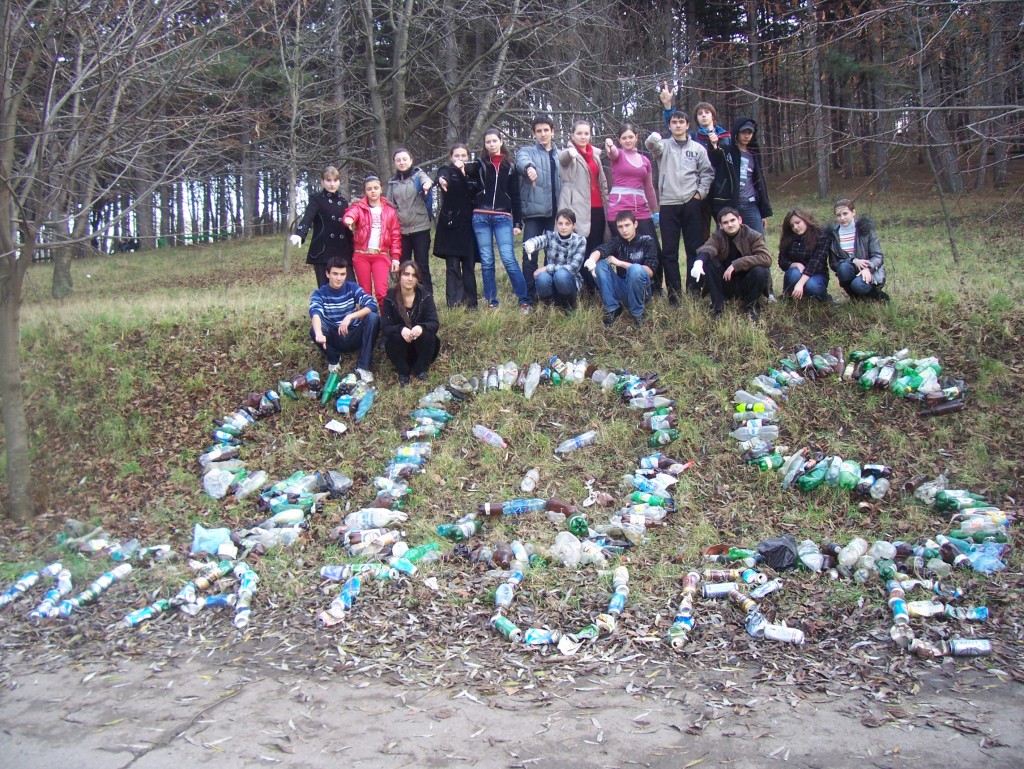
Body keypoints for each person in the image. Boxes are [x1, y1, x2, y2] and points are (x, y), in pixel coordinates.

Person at [645, 106, 714, 303]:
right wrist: (655, 137)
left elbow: (707, 173)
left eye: (681, 122)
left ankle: (693, 291)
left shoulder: (698, 149)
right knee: (669, 252)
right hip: (668, 204)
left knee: (694, 248)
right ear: (670, 126)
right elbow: (651, 145)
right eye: (674, 122)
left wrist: (700, 193)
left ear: (687, 125)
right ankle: (674, 295)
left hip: (692, 204)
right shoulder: (664, 146)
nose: (677, 125)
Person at [467, 128, 531, 312]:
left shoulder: (510, 167)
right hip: (480, 216)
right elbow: (465, 181)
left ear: (501, 141)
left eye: (494, 141)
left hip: (503, 217)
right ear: (485, 145)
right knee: (487, 261)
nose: (491, 145)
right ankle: (491, 301)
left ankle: (524, 300)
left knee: (508, 258)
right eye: (488, 142)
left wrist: (518, 222)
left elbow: (516, 195)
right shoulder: (479, 165)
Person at [660, 85, 731, 242]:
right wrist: (667, 106)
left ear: (713, 116)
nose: (703, 115)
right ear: (695, 120)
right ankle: (704, 264)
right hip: (699, 192)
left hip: (722, 189)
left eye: (707, 112)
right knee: (701, 235)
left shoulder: (726, 137)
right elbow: (675, 127)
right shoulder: (693, 138)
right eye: (700, 113)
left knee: (726, 229)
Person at [604, 122, 661, 293]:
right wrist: (610, 145)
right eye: (624, 138)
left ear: (637, 138)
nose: (627, 140)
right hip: (619, 209)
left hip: (641, 210)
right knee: (623, 250)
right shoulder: (617, 155)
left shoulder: (645, 160)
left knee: (653, 247)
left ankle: (656, 287)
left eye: (631, 137)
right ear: (619, 140)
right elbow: (612, 153)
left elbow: (649, 188)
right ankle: (626, 287)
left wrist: (655, 211)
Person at [691, 207, 771, 320]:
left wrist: (736, 264)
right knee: (709, 263)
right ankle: (718, 307)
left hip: (747, 282)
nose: (730, 224)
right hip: (726, 283)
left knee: (760, 270)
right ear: (720, 225)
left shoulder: (753, 235)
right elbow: (708, 247)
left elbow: (766, 258)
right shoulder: (718, 236)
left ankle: (750, 307)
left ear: (740, 220)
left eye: (733, 220)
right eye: (725, 222)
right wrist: (699, 261)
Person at [558, 119, 609, 296]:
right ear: (572, 135)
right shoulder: (568, 153)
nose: (583, 136)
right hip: (577, 209)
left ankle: (595, 286)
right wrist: (570, 152)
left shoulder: (595, 154)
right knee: (580, 248)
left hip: (597, 208)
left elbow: (601, 181)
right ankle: (580, 288)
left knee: (596, 247)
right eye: (579, 133)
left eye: (586, 133)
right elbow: (563, 160)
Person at [309, 256, 380, 381]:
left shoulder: (351, 287)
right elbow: (315, 313)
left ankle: (363, 366)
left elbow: (372, 304)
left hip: (353, 333)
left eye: (342, 274)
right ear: (327, 274)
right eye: (335, 274)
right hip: (334, 336)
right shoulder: (319, 293)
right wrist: (319, 333)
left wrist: (350, 316)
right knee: (314, 329)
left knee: (373, 318)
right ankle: (334, 359)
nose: (339, 278)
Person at [584, 211, 659, 326]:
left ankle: (637, 313)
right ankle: (613, 308)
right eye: (620, 227)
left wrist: (619, 263)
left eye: (627, 225)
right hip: (622, 288)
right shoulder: (617, 241)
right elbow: (601, 250)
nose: (624, 230)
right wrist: (592, 260)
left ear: (635, 224)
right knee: (600, 264)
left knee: (635, 269)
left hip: (642, 290)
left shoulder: (646, 241)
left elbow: (649, 271)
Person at [516, 116, 562, 302]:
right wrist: (529, 168)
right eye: (539, 131)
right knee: (530, 254)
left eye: (546, 130)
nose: (543, 134)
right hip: (534, 214)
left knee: (552, 256)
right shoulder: (527, 152)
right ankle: (528, 297)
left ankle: (548, 295)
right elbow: (521, 162)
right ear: (533, 134)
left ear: (553, 131)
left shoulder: (561, 154)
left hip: (556, 214)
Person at [289, 165, 354, 287]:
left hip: (343, 251)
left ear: (339, 181)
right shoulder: (316, 199)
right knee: (325, 289)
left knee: (350, 287)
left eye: (335, 180)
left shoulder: (344, 201)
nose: (332, 184)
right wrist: (300, 233)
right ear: (322, 181)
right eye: (328, 180)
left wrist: (354, 249)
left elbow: (348, 230)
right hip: (324, 251)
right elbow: (308, 217)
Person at [342, 175, 402, 307]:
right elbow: (351, 213)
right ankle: (368, 323)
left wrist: (396, 258)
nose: (373, 191)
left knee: (381, 293)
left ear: (381, 189)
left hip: (380, 255)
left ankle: (385, 324)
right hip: (361, 255)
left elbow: (395, 235)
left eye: (376, 188)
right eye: (369, 189)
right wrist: (349, 219)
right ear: (365, 191)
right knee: (365, 293)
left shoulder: (390, 211)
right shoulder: (359, 207)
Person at [707, 116, 772, 234]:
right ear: (737, 132)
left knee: (758, 240)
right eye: (743, 132)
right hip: (729, 205)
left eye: (749, 132)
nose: (747, 136)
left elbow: (759, 183)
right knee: (724, 242)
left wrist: (762, 213)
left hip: (751, 204)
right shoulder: (726, 150)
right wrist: (713, 145)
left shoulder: (754, 154)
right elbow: (714, 158)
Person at [434, 143, 479, 309]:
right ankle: (453, 303)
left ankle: (471, 303)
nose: (460, 159)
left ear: (468, 156)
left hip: (469, 225)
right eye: (456, 156)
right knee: (452, 266)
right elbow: (441, 175)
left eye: (463, 156)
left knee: (469, 265)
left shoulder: (473, 172)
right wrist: (442, 180)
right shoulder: (447, 170)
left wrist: (465, 173)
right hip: (451, 225)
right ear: (451, 157)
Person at [381, 260, 441, 386]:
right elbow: (385, 327)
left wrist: (421, 327)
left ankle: (421, 370)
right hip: (401, 349)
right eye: (406, 274)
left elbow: (434, 322)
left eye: (413, 275)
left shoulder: (425, 296)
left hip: (421, 349)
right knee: (393, 336)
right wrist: (400, 329)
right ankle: (403, 372)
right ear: (399, 276)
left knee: (429, 335)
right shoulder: (390, 297)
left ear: (417, 278)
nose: (410, 278)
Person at [387, 149, 435, 294]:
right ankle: (405, 300)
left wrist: (427, 186)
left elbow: (427, 180)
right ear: (394, 163)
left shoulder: (418, 175)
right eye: (398, 160)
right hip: (401, 231)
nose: (402, 162)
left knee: (421, 266)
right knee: (403, 268)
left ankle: (426, 299)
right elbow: (388, 206)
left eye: (404, 159)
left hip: (420, 228)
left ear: (411, 160)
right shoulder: (392, 183)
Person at [522, 208, 586, 310]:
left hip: (569, 282)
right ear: (556, 225)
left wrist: (547, 268)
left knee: (561, 275)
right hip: (551, 279)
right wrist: (530, 243)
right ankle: (549, 303)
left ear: (573, 225)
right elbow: (539, 240)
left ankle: (568, 304)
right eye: (560, 224)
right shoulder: (551, 236)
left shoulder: (580, 241)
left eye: (567, 224)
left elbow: (574, 267)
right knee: (542, 278)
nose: (563, 227)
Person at [825, 199, 888, 301]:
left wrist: (868, 268)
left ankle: (877, 296)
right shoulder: (832, 235)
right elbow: (833, 263)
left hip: (870, 270)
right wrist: (853, 260)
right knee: (843, 268)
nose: (842, 218)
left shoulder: (866, 229)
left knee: (858, 285)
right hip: (848, 270)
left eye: (845, 213)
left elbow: (878, 256)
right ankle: (855, 298)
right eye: (838, 215)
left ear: (853, 212)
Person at [778, 208, 830, 301]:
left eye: (798, 223)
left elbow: (816, 262)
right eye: (792, 226)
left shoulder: (821, 236)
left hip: (816, 274)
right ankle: (789, 297)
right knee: (793, 273)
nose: (795, 227)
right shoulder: (788, 237)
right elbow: (782, 261)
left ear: (806, 220)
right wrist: (796, 264)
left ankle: (821, 298)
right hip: (796, 272)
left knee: (812, 285)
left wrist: (800, 283)